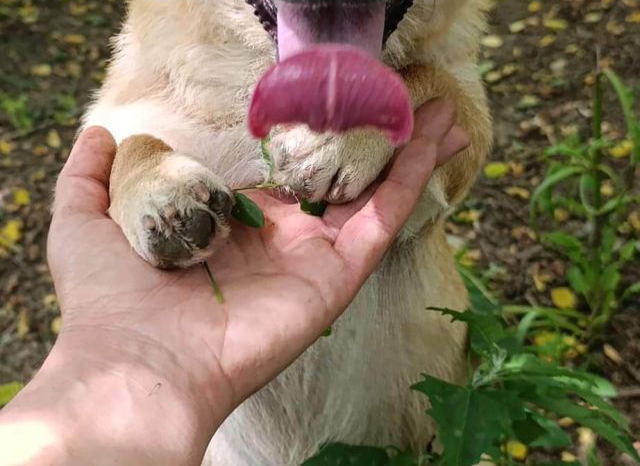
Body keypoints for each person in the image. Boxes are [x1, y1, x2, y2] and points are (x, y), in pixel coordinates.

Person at [0, 100, 468, 466]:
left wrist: (122, 357)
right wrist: (138, 169)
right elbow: (126, 130)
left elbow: (460, 142)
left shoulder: (436, 46)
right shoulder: (155, 53)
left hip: (408, 439)